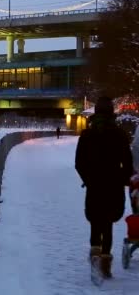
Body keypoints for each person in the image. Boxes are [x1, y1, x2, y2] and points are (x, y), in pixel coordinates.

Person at [75, 96, 133, 279]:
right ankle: (106, 263)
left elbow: (79, 163)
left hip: (94, 185)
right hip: (113, 185)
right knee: (107, 223)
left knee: (95, 220)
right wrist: (123, 180)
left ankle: (94, 256)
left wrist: (88, 179)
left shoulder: (87, 135)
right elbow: (128, 163)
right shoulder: (121, 135)